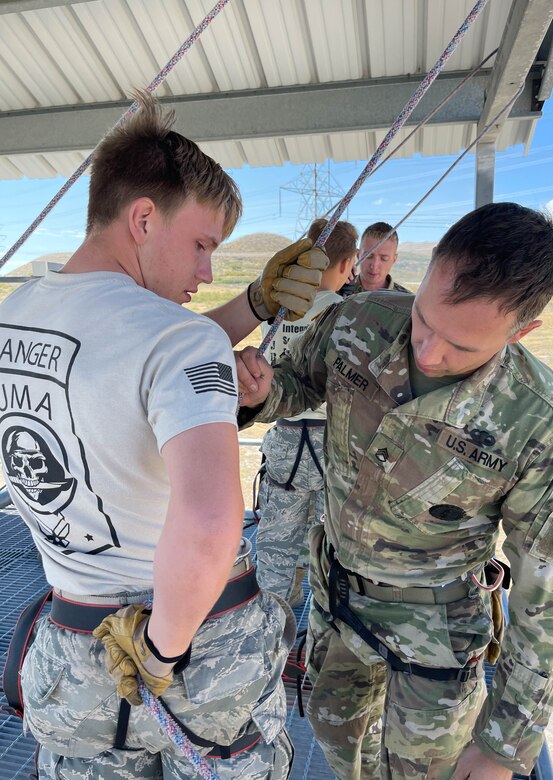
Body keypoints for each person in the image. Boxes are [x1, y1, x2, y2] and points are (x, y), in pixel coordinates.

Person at [0, 90, 329, 779]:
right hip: (200, 657)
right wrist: (162, 650)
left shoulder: (17, 315)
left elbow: (116, 360)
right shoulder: (180, 342)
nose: (207, 270)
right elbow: (210, 522)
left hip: (72, 651)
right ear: (144, 218)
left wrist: (253, 307)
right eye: (203, 245)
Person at [236, 202, 553, 780]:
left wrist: (504, 744)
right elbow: (299, 384)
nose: (426, 352)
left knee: (423, 772)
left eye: (461, 346)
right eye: (424, 318)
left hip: (436, 640)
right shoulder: (359, 319)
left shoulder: (547, 427)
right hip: (338, 604)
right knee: (337, 742)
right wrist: (261, 393)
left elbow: (550, 601)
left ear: (522, 331)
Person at [255, 217, 358, 606]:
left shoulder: (281, 309)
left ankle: (274, 621)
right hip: (331, 446)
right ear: (348, 265)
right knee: (331, 549)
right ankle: (320, 632)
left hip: (285, 441)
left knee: (277, 545)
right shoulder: (347, 313)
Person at [339, 220, 409, 295]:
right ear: (358, 255)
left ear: (394, 260)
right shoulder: (336, 289)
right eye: (368, 256)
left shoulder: (406, 301)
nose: (374, 266)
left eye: (384, 259)